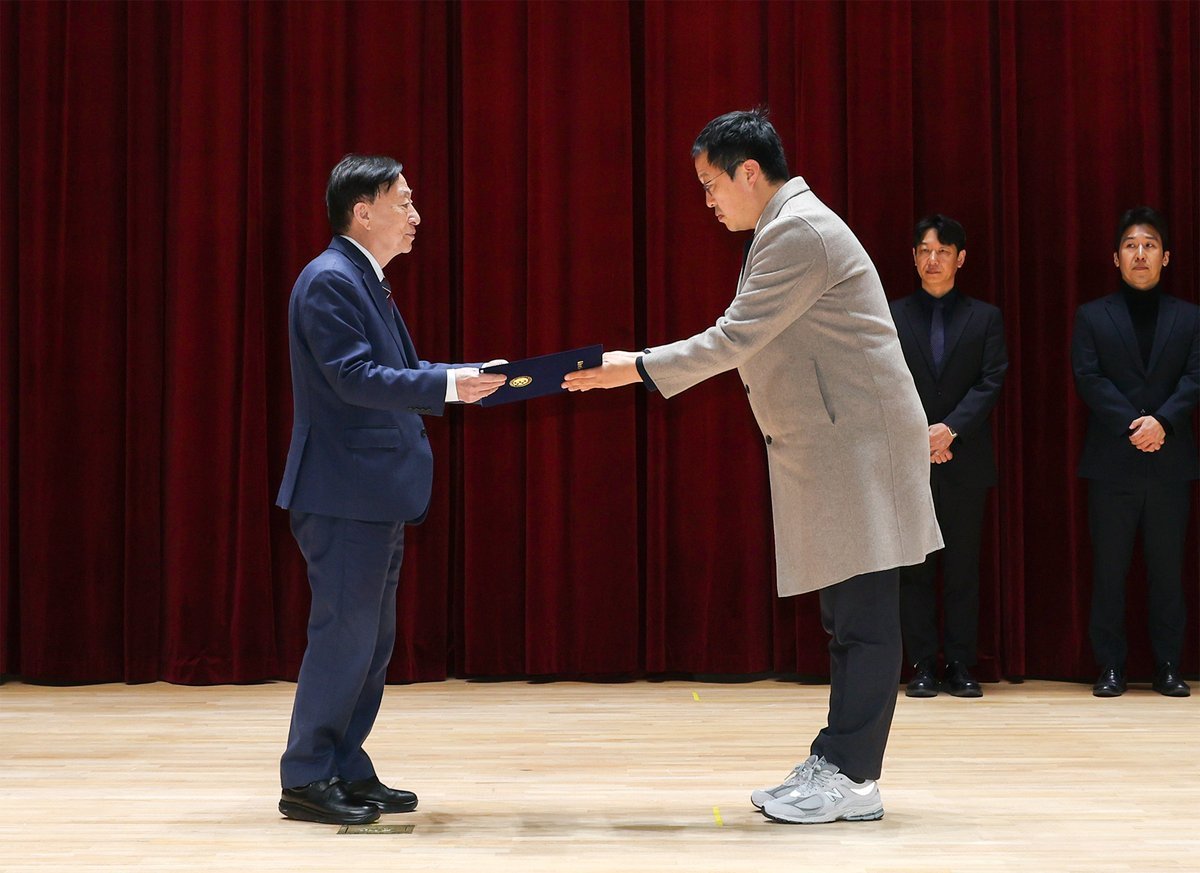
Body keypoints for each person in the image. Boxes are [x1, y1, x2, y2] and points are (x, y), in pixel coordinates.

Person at [564, 109, 942, 824]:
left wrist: (633, 367)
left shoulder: (798, 230)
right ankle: (837, 759)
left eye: (710, 183)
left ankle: (855, 778)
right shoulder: (784, 226)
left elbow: (734, 338)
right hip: (839, 446)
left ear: (748, 171)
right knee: (845, 617)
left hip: (861, 448)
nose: (707, 200)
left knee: (862, 618)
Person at [274, 155, 505, 823]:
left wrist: (460, 376)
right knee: (344, 638)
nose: (416, 216)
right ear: (362, 211)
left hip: (370, 492)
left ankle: (345, 763)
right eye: (402, 202)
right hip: (344, 491)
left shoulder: (362, 280)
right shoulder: (329, 280)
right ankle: (307, 776)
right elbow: (353, 377)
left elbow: (393, 371)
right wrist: (449, 383)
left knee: (370, 644)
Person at [1071, 206, 1197, 698]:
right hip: (1112, 463)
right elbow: (1089, 377)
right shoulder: (1092, 315)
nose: (1140, 253)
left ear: (1165, 257)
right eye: (1130, 245)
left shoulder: (1189, 317)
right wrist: (1135, 425)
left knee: (1168, 572)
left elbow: (1195, 377)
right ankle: (1111, 666)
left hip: (1170, 461)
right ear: (1116, 257)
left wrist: (1162, 422)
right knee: (1110, 570)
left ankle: (1168, 666)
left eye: (1149, 245)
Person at [890, 215, 1008, 698]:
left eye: (942, 251)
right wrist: (921, 435)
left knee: (963, 567)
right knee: (914, 567)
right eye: (924, 250)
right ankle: (921, 664)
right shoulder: (892, 315)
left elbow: (991, 380)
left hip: (966, 458)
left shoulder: (985, 317)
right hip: (909, 458)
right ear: (913, 257)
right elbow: (885, 381)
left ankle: (960, 663)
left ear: (961, 258)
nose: (932, 259)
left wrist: (950, 430)